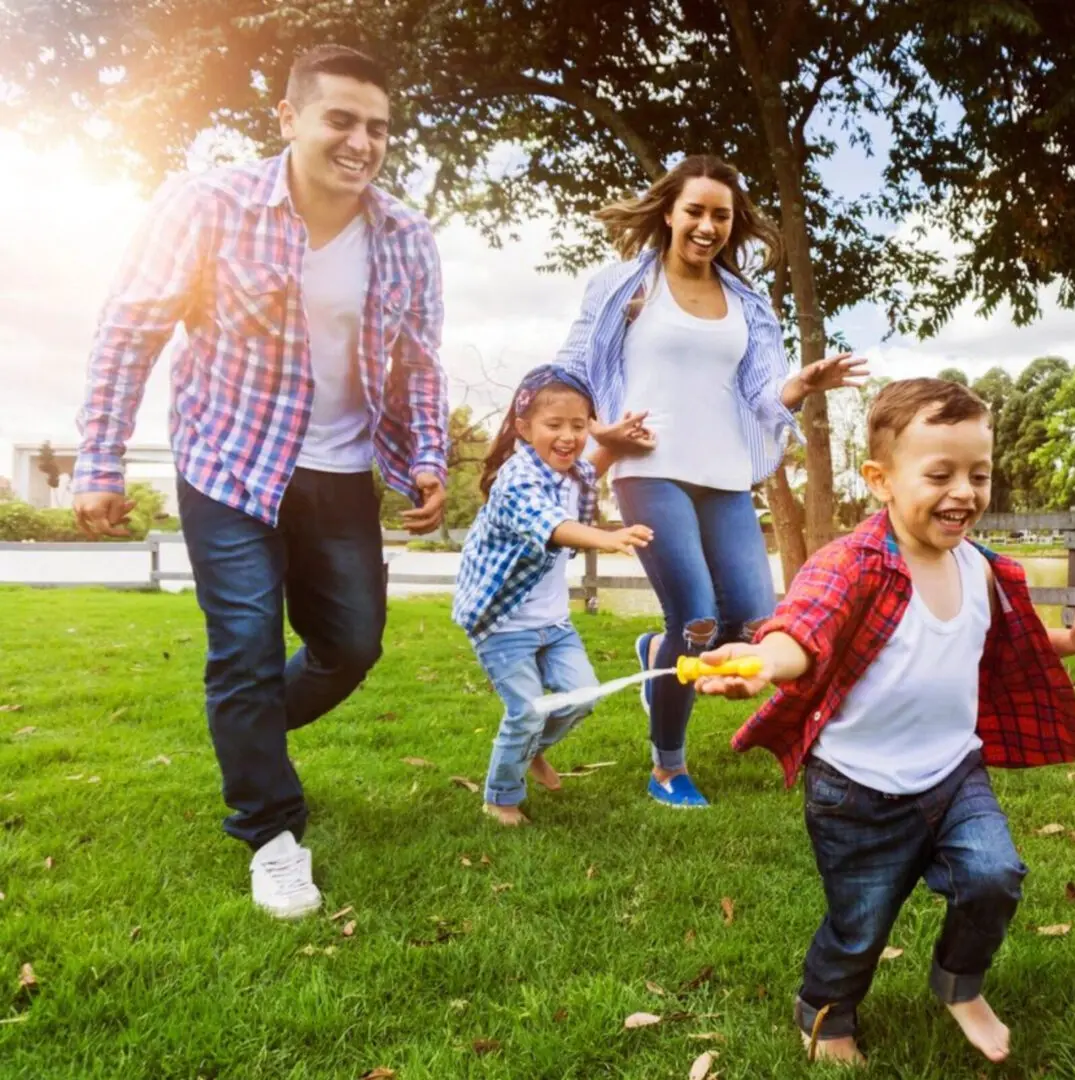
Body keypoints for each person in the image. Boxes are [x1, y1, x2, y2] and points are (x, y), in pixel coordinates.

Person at [71, 45, 450, 918]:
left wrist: (425, 453)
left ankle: (244, 735)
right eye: (342, 120)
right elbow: (130, 330)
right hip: (230, 462)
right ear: (289, 119)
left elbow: (418, 365)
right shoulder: (209, 204)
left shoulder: (406, 235)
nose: (362, 142)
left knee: (350, 647)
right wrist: (98, 459)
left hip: (341, 470)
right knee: (241, 647)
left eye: (379, 128)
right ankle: (270, 830)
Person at [697, 378, 1075, 1066]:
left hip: (952, 773)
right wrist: (762, 661)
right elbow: (803, 628)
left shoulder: (983, 570)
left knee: (994, 875)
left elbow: (1006, 643)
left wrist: (1073, 639)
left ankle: (959, 983)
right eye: (940, 474)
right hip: (855, 791)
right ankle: (825, 1014)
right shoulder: (851, 563)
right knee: (858, 926)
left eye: (978, 474)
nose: (964, 491)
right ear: (879, 480)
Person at [556, 153, 868, 808]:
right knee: (696, 620)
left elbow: (761, 391)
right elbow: (573, 366)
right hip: (650, 467)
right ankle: (667, 767)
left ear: (734, 223)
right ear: (668, 212)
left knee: (754, 622)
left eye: (720, 215)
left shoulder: (747, 302)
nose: (706, 225)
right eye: (694, 210)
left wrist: (802, 384)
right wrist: (596, 437)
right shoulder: (625, 286)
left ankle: (656, 654)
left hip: (724, 470)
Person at [453, 366, 655, 825]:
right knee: (525, 710)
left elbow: (592, 466)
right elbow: (552, 526)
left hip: (552, 623)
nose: (568, 437)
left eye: (578, 426)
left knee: (582, 696)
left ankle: (528, 749)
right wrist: (605, 537)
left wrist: (615, 442)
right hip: (502, 624)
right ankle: (501, 797)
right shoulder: (517, 478)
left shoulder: (568, 470)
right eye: (554, 425)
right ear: (524, 430)